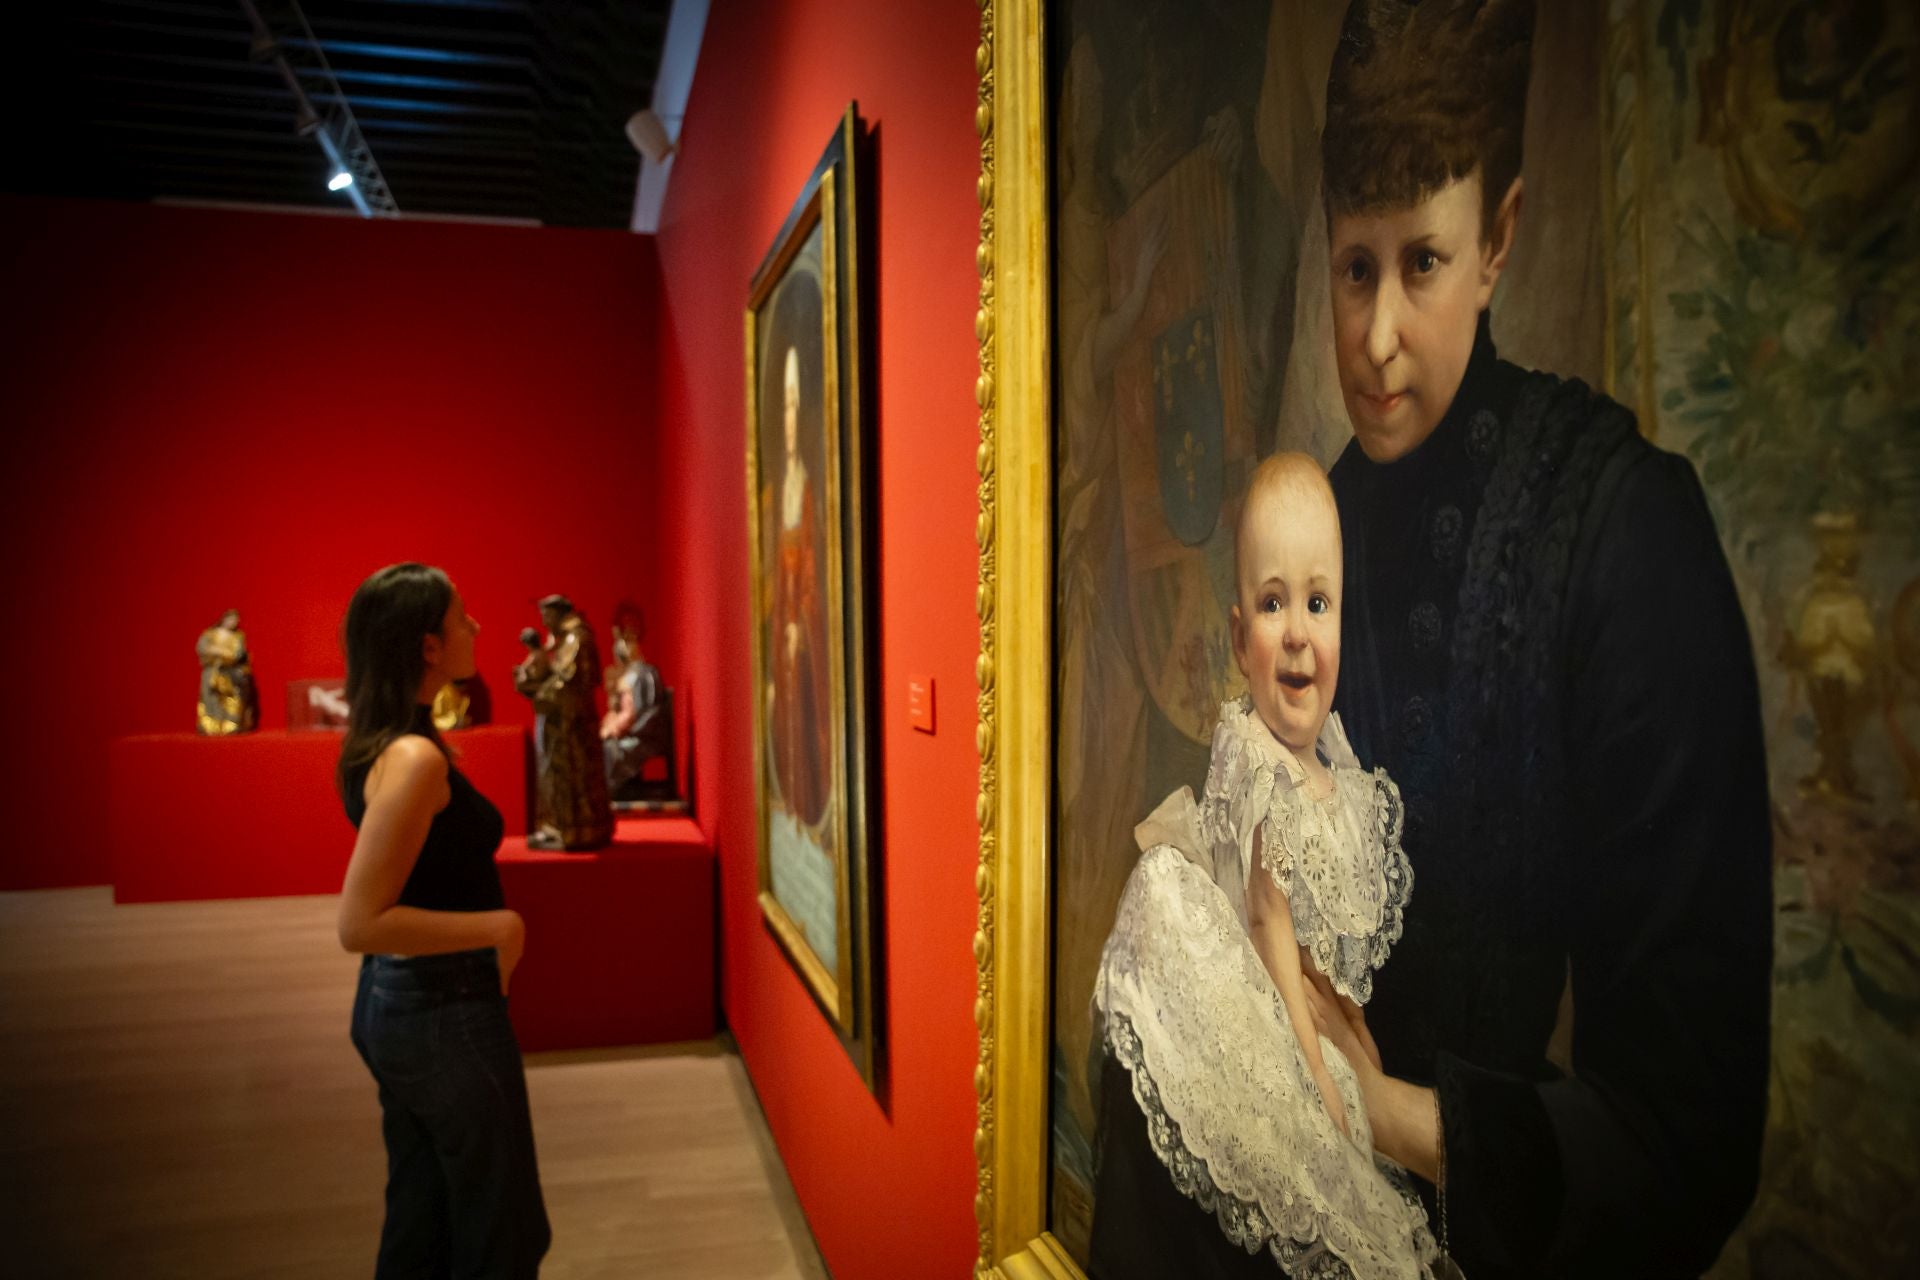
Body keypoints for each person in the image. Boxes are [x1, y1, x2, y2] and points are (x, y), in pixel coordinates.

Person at [1306, 2, 1772, 1277]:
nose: (1379, 337)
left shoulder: (1623, 531)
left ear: (1499, 240)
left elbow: (1693, 1125)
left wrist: (1389, 1114)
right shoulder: (1316, 528)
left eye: (1424, 264)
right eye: (1355, 267)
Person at [1090, 455, 1437, 1280]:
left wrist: (1356, 1039)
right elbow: (1267, 918)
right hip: (1244, 985)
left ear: (1343, 626)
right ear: (1242, 637)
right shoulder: (1254, 755)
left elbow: (1336, 955)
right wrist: (1316, 1068)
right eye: (1274, 605)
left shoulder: (1344, 777)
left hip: (1303, 997)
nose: (1296, 635)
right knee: (1294, 1156)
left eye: (1317, 605)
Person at [335, 562, 550, 1278]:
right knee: (503, 1231)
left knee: (424, 1220)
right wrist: (498, 928)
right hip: (441, 1011)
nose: (478, 628)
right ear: (428, 646)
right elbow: (360, 922)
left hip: (402, 1007)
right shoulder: (415, 757)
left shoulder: (391, 741)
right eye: (463, 618)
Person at [767, 344, 829, 828]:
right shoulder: (776, 490)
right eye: (782, 406)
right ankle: (790, 807)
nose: (789, 418)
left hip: (801, 628)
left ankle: (807, 810)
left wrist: (800, 623)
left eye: (794, 405)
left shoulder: (807, 486)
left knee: (804, 719)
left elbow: (810, 560)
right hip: (781, 625)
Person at [513, 596, 613, 851]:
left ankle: (575, 831)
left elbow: (567, 684)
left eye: (547, 616)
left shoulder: (576, 639)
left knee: (572, 775)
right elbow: (557, 677)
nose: (544, 622)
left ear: (559, 614)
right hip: (561, 721)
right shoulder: (564, 640)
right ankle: (558, 827)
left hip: (571, 724)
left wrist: (536, 690)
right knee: (555, 777)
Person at [195, 608, 258, 735]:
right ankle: (211, 723)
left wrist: (225, 654)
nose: (234, 622)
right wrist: (216, 652)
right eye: (231, 619)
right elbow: (202, 648)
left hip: (230, 672)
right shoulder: (210, 634)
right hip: (212, 670)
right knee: (210, 697)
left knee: (232, 696)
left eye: (236, 620)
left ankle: (231, 723)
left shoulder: (237, 636)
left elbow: (239, 654)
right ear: (224, 619)